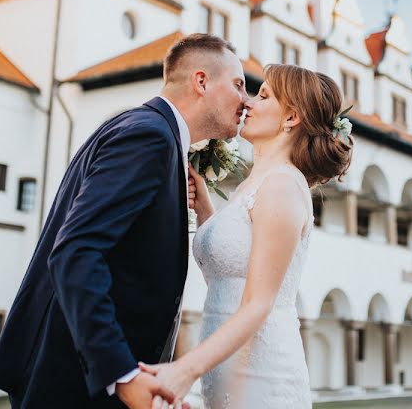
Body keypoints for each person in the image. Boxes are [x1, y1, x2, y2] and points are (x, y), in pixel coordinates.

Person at [0, 33, 248, 409]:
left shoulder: (148, 131)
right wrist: (120, 373)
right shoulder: (149, 136)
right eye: (238, 85)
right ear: (201, 81)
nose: (246, 100)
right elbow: (77, 250)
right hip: (74, 383)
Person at [140, 64, 353, 408]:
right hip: (228, 373)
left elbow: (258, 303)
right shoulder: (249, 187)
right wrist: (205, 209)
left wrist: (184, 370)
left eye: (264, 96)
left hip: (262, 376)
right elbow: (230, 277)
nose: (248, 103)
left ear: (291, 118)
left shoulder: (282, 186)